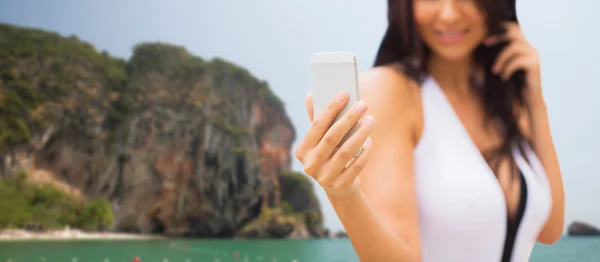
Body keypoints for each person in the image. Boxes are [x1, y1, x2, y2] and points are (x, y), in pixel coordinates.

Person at [294, 0, 565, 261]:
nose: (448, 14)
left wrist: (534, 101)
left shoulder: (503, 101)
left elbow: (549, 229)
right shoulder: (389, 91)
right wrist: (344, 195)